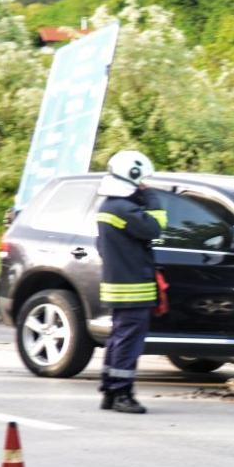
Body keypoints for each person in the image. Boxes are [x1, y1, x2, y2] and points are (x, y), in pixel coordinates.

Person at [96, 150, 167, 414]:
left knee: (118, 338)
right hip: (134, 288)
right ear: (132, 176)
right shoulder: (125, 209)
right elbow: (156, 228)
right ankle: (122, 393)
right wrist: (152, 199)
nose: (143, 185)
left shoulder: (107, 208)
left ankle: (110, 390)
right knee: (128, 341)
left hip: (117, 286)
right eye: (141, 181)